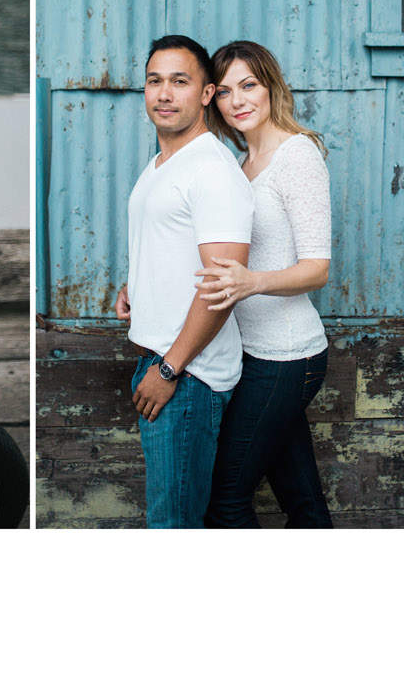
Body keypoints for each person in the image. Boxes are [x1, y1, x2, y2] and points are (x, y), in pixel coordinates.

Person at [116, 34, 253, 528]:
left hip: (188, 376)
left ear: (206, 94)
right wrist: (137, 284)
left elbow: (221, 288)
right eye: (155, 81)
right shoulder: (163, 163)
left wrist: (170, 370)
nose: (164, 93)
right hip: (165, 360)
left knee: (173, 526)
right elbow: (169, 242)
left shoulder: (212, 171)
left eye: (180, 81)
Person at [199, 40, 334, 528]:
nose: (238, 101)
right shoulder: (242, 165)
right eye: (226, 91)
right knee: (302, 502)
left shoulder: (297, 156)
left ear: (271, 85)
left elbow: (316, 268)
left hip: (287, 357)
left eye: (249, 85)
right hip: (253, 355)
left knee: (225, 499)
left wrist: (252, 282)